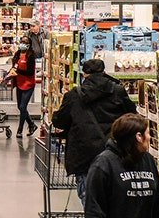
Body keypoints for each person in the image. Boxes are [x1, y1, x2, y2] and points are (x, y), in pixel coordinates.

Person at [52, 59, 137, 205]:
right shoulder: (118, 91)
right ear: (103, 72)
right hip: (113, 151)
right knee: (114, 197)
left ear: (84, 74)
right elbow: (131, 116)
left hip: (84, 155)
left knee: (90, 200)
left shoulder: (73, 95)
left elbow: (59, 122)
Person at [9, 35, 37, 139]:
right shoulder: (17, 54)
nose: (22, 44)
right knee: (19, 107)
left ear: (29, 45)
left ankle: (20, 130)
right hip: (19, 83)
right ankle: (31, 124)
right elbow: (14, 66)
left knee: (22, 107)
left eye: (25, 43)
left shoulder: (31, 56)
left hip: (29, 84)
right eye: (21, 42)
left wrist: (18, 71)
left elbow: (30, 72)